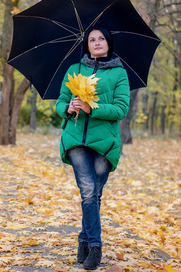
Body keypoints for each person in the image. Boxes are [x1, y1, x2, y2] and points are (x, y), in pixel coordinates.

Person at [55, 26, 130, 270]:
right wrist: (69, 108)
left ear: (108, 43)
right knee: (88, 191)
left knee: (94, 195)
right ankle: (96, 248)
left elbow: (120, 110)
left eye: (101, 39)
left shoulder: (119, 73)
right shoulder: (74, 70)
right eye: (92, 39)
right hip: (76, 139)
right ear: (86, 45)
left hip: (105, 143)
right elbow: (59, 103)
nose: (96, 42)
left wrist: (92, 108)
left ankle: (83, 241)